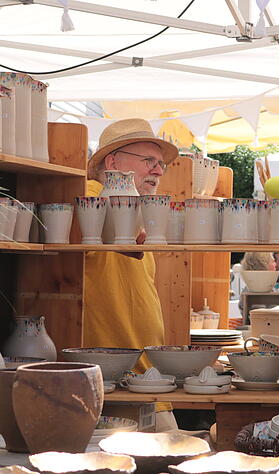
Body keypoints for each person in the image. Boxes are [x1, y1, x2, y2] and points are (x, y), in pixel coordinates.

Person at [83, 118, 179, 430]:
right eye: (149, 161)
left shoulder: (141, 213)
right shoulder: (89, 194)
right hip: (107, 380)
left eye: (161, 164)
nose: (159, 171)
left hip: (142, 378)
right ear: (112, 161)